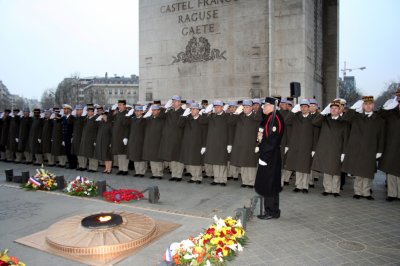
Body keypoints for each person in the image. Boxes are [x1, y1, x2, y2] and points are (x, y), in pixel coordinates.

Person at [342, 96, 385, 200]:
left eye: (370, 104)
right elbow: (345, 118)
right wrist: (352, 108)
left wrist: (379, 150)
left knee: (368, 172)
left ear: (373, 105)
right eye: (366, 104)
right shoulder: (356, 117)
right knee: (358, 171)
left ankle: (366, 192)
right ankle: (357, 192)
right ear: (363, 106)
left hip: (371, 149)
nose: (368, 106)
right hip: (357, 149)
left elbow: (381, 136)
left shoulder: (379, 120)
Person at [255, 97, 284, 220]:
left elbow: (272, 141)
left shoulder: (275, 118)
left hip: (270, 156)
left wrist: (264, 156)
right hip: (268, 155)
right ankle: (272, 210)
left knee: (270, 184)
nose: (263, 108)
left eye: (265, 106)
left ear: (271, 107)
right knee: (269, 183)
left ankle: (271, 211)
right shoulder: (269, 117)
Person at [312, 101, 349, 197]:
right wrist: (323, 113)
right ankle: (327, 189)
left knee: (336, 171)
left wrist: (344, 152)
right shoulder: (325, 120)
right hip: (326, 149)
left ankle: (335, 190)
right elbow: (314, 122)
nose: (333, 110)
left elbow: (346, 137)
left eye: (335, 108)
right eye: (331, 108)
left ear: (340, 110)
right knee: (327, 169)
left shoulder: (344, 122)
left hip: (337, 149)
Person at [229, 100, 262, 188]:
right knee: (243, 163)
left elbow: (260, 132)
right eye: (244, 107)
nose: (245, 109)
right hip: (241, 144)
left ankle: (252, 182)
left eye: (247, 107)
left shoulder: (256, 117)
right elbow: (230, 123)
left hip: (251, 144)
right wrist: (236, 113)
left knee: (250, 164)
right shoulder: (239, 116)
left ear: (251, 107)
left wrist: (258, 144)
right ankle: (245, 181)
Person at [285, 99, 315, 193]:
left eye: (305, 106)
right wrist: (293, 111)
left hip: (307, 145)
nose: (303, 108)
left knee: (305, 167)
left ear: (309, 108)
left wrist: (314, 148)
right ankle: (298, 185)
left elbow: (316, 134)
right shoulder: (296, 117)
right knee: (298, 166)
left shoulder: (313, 118)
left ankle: (305, 186)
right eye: (302, 107)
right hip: (297, 145)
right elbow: (286, 121)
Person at [200, 100, 230, 186]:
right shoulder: (211, 116)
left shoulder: (226, 116)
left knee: (222, 162)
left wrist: (229, 143)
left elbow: (230, 129)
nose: (216, 109)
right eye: (215, 107)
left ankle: (223, 180)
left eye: (217, 107)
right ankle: (216, 179)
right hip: (213, 142)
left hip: (223, 142)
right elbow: (202, 122)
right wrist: (205, 112)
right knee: (215, 161)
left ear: (222, 107)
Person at [377, 89, 400, 201]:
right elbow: (379, 115)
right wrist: (389, 106)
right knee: (391, 171)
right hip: (391, 145)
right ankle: (392, 194)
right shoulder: (391, 112)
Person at [178, 103, 207, 184]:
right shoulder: (187, 119)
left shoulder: (202, 119)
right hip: (188, 143)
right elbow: (179, 125)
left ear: (198, 110)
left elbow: (204, 133)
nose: (192, 111)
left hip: (198, 143)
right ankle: (193, 177)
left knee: (197, 162)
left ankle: (198, 178)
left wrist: (204, 145)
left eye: (194, 109)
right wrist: (183, 116)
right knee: (190, 161)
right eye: (191, 109)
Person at [158, 95, 185, 182]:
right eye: (173, 101)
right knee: (172, 157)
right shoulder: (169, 112)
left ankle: (179, 175)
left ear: (180, 103)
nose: (174, 103)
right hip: (169, 138)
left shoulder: (183, 112)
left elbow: (181, 124)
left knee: (178, 157)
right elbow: (160, 116)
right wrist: (164, 107)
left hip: (178, 137)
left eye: (176, 101)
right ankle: (174, 174)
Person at [142, 105, 166, 179]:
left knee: (158, 159)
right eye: (152, 110)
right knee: (152, 158)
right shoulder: (149, 119)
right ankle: (154, 173)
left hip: (158, 141)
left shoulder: (162, 119)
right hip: (150, 141)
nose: (153, 111)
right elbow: (142, 121)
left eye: (155, 110)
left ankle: (159, 173)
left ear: (159, 111)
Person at [127, 105, 147, 177]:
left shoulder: (144, 119)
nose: (137, 112)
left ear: (142, 111)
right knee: (135, 156)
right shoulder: (133, 119)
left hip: (141, 140)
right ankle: (137, 171)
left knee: (140, 157)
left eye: (139, 111)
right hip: (133, 140)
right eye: (136, 111)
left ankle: (142, 172)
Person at [111, 100, 130, 175]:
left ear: (124, 105)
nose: (119, 106)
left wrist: (126, 137)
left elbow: (127, 127)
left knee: (124, 154)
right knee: (119, 153)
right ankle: (120, 168)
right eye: (118, 105)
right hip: (117, 136)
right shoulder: (118, 114)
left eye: (120, 105)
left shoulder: (127, 114)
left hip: (123, 136)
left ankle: (125, 169)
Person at [79, 106, 98, 172]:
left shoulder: (95, 120)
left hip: (91, 139)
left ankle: (94, 168)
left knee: (92, 154)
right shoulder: (86, 119)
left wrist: (95, 140)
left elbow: (96, 131)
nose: (88, 112)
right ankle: (87, 167)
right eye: (87, 111)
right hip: (85, 139)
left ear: (93, 112)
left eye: (89, 111)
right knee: (86, 153)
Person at [62, 104, 76, 169]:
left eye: (66, 109)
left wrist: (72, 137)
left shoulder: (73, 118)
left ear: (69, 110)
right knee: (67, 151)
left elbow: (74, 128)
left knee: (71, 152)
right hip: (65, 137)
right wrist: (63, 139)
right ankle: (70, 164)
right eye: (64, 109)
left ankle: (73, 165)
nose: (64, 110)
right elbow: (63, 129)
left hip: (70, 137)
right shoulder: (64, 118)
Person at [72, 105, 86, 170]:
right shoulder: (75, 118)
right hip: (76, 137)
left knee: (82, 152)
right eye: (76, 110)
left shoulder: (84, 118)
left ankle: (83, 166)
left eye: (78, 110)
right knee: (77, 152)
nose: (77, 111)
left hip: (81, 137)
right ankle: (80, 165)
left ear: (82, 111)